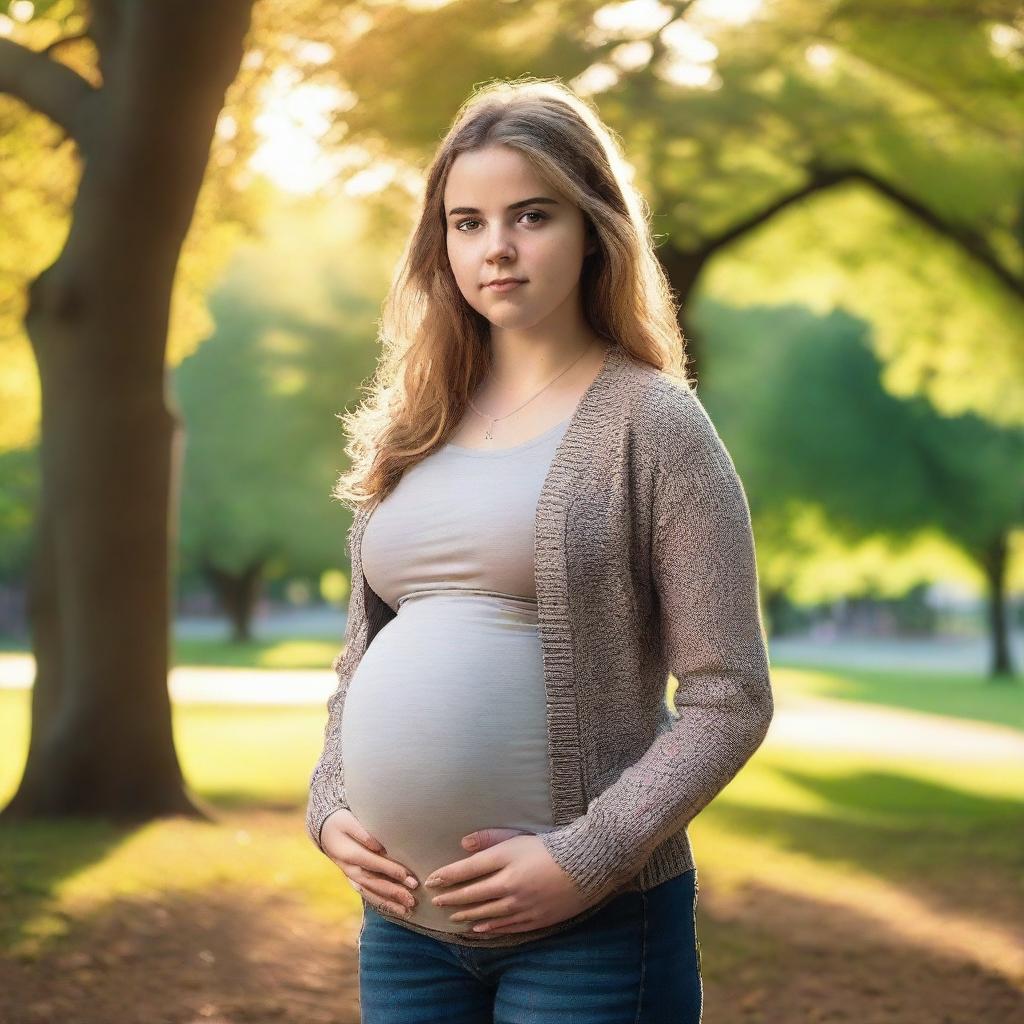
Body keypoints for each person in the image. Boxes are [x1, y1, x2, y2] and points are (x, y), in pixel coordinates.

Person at [305, 77, 774, 1023]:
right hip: (403, 927)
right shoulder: (414, 428)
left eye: (531, 216)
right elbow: (360, 664)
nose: (497, 248)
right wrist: (331, 806)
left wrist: (586, 859)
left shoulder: (654, 423)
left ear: (594, 226)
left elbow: (731, 700)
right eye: (467, 222)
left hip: (590, 935)